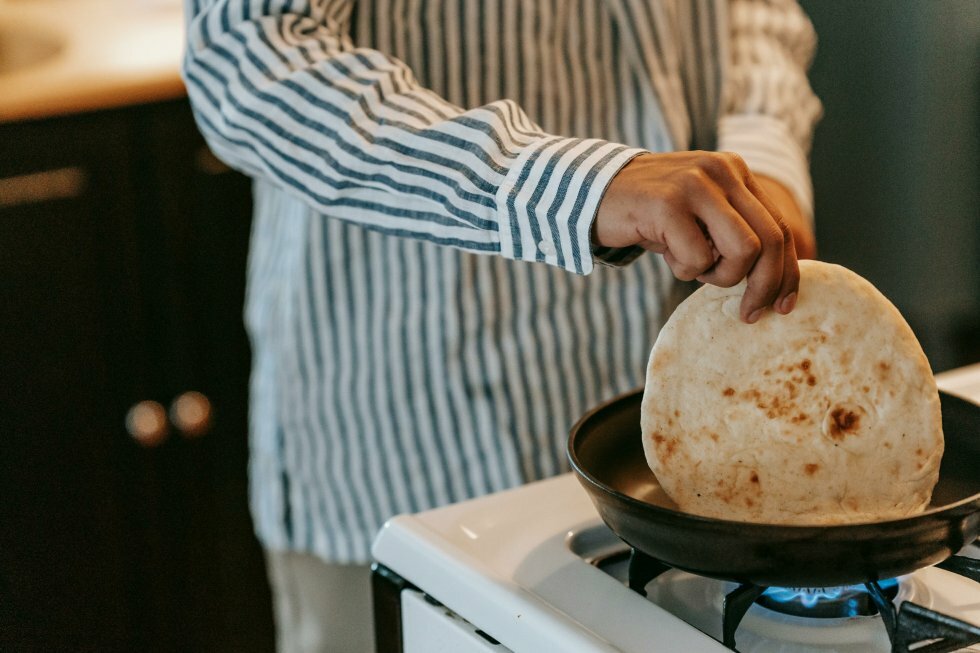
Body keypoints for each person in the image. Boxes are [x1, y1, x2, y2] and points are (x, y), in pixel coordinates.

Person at [181, 0, 822, 650]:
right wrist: (575, 187)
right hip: (403, 445)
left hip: (664, 464)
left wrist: (759, 156)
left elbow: (753, 16)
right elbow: (251, 56)